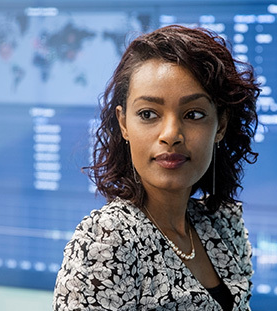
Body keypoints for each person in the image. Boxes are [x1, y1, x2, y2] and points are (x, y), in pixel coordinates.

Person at [53, 25, 260, 310]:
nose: (171, 134)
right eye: (148, 114)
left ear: (220, 124)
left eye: (194, 114)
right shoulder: (107, 239)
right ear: (124, 123)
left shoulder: (224, 224)